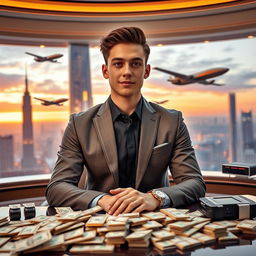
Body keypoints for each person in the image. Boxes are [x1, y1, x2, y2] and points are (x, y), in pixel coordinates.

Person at [46, 27, 205, 215]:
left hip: (156, 223)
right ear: (106, 71)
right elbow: (57, 187)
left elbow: (195, 183)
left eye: (136, 64)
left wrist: (155, 197)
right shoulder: (80, 124)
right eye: (118, 64)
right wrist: (102, 200)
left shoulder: (172, 121)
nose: (127, 72)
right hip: (99, 224)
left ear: (146, 71)